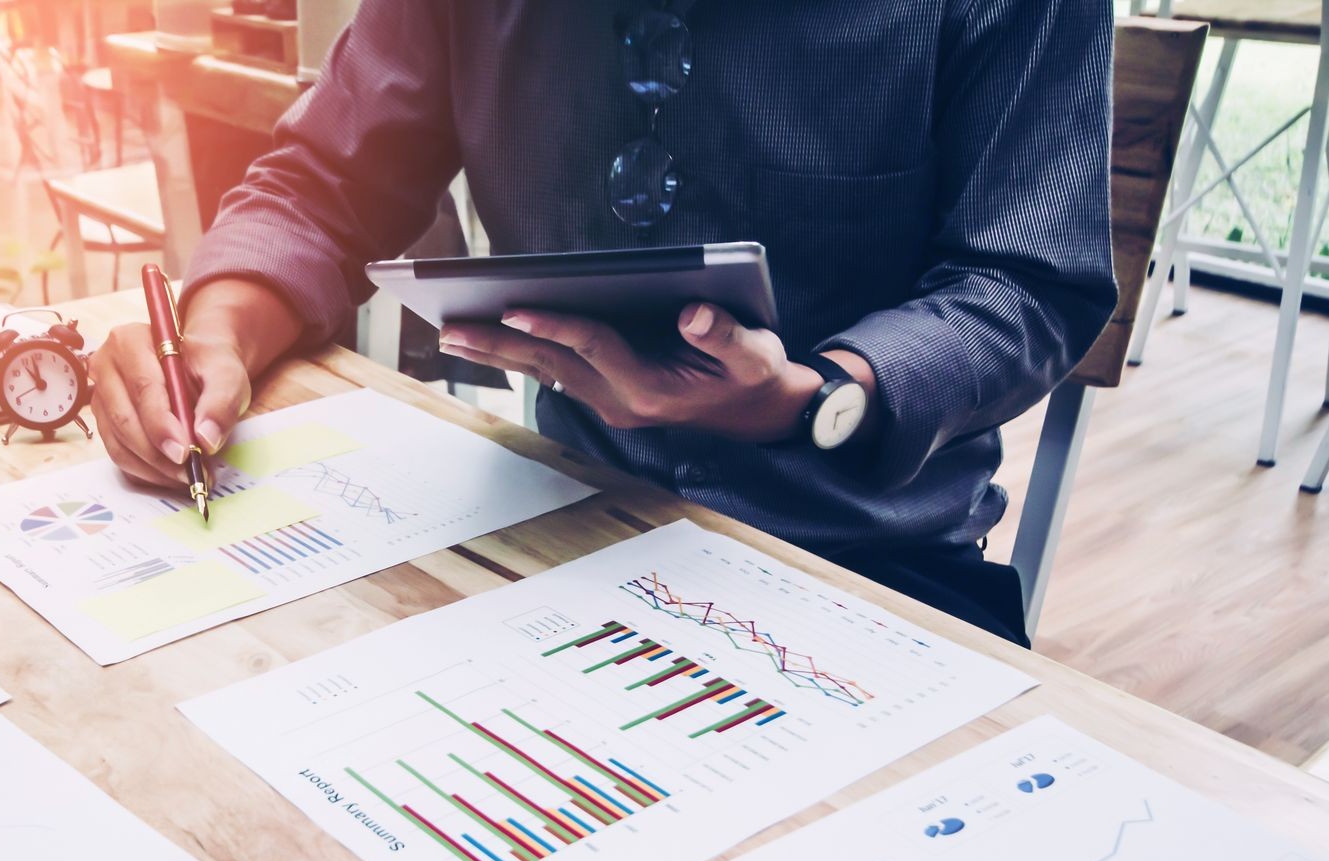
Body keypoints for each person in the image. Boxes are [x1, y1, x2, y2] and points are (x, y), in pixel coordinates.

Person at [89, 0, 1118, 646]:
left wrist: (811, 404)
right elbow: (325, 184)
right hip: (561, 511)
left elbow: (1025, 281)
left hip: (870, 570)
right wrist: (218, 326)